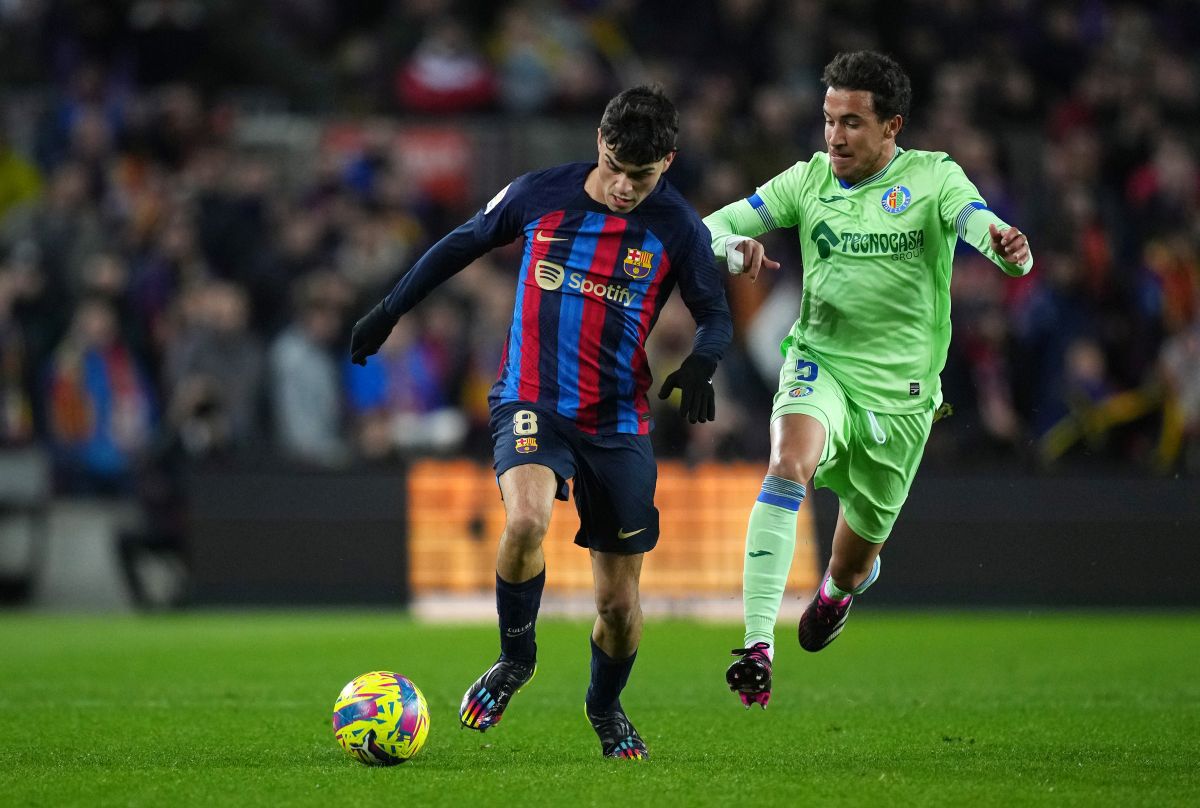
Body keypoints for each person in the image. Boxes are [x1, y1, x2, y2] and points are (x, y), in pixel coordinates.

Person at [349, 85, 732, 758]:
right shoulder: (538, 193)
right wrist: (388, 310)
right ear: (598, 143)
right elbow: (458, 245)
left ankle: (605, 706)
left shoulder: (678, 228)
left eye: (638, 176)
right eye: (614, 166)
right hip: (532, 398)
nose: (621, 186)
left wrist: (702, 363)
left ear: (666, 163)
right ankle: (515, 660)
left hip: (617, 420)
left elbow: (716, 315)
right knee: (526, 520)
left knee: (617, 608)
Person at [703, 51, 1033, 708]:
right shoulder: (808, 181)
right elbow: (710, 225)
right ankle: (758, 644)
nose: (835, 137)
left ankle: (836, 593)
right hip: (819, 363)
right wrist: (728, 247)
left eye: (852, 123)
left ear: (892, 127)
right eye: (829, 120)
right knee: (787, 464)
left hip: (903, 400)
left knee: (852, 563)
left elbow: (975, 222)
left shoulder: (933, 178)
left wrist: (1001, 242)